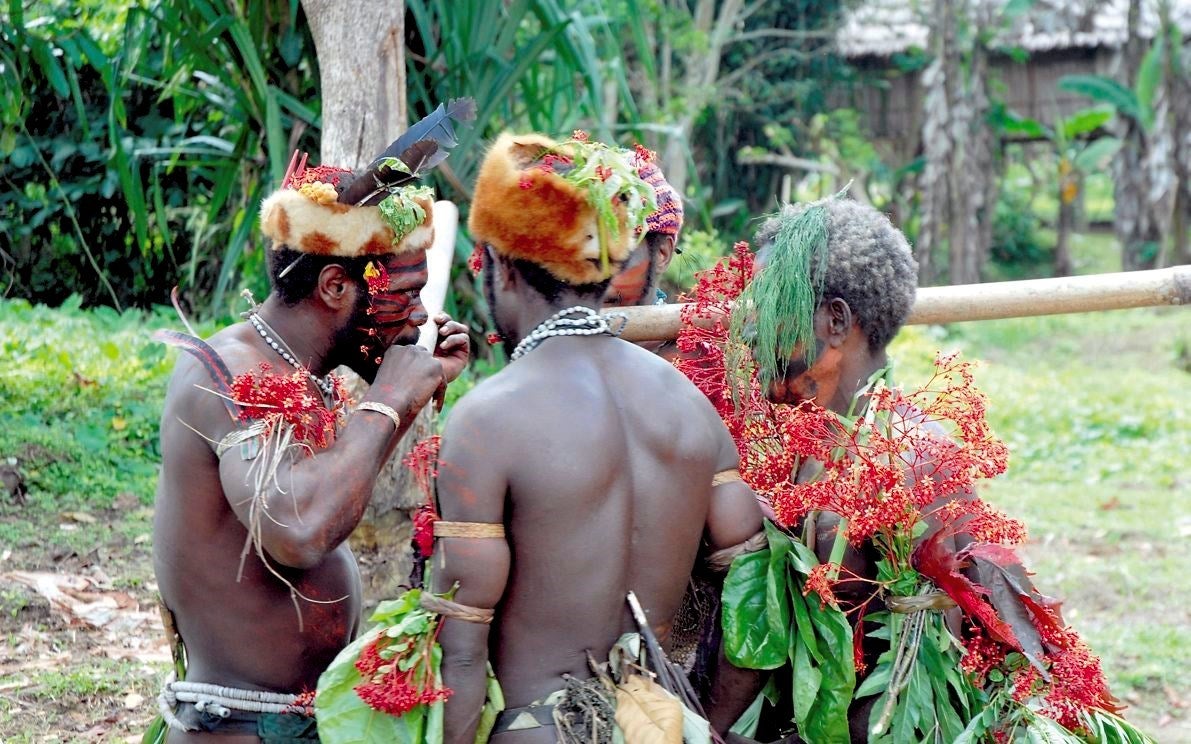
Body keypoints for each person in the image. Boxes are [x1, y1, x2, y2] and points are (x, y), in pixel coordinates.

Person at [682, 198, 1128, 742]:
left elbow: (912, 701)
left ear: (835, 322)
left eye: (771, 307)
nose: (750, 333)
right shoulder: (810, 442)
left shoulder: (906, 459)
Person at [430, 132, 765, 743]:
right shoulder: (689, 406)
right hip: (662, 729)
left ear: (502, 266)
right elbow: (756, 595)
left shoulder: (488, 420)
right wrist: (709, 725)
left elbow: (460, 653)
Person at [151, 128, 471, 742]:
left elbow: (328, 483)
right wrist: (389, 397)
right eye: (405, 296)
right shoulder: (230, 375)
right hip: (239, 727)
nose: (420, 317)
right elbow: (298, 530)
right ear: (333, 287)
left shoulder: (297, 371)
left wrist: (405, 397)